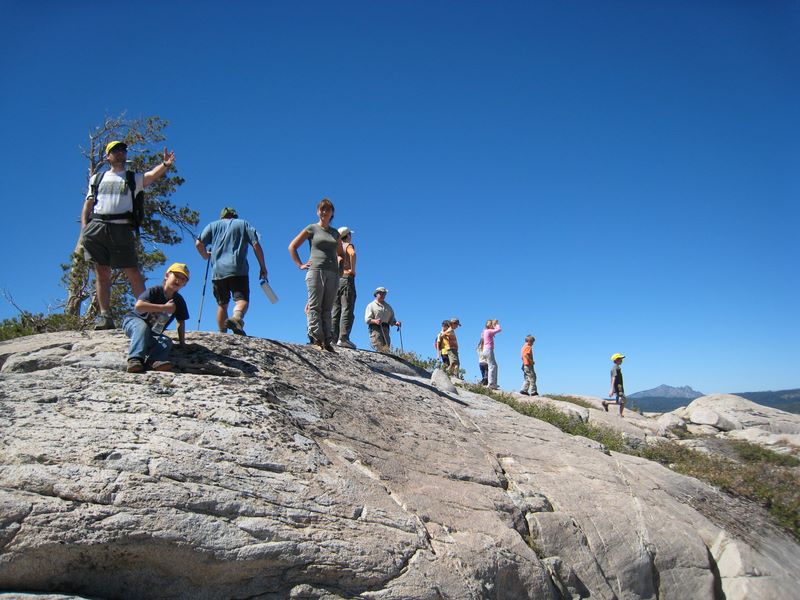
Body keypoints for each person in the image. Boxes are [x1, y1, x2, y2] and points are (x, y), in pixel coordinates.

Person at [81, 141, 175, 330]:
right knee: (101, 272)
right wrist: (85, 228)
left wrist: (165, 165)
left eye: (123, 150)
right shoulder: (97, 178)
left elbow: (150, 176)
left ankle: (147, 314)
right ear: (108, 156)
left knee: (133, 272)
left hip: (122, 228)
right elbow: (89, 204)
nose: (120, 153)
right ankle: (105, 316)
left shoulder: (133, 178)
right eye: (115, 150)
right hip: (97, 227)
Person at [195, 207, 267, 336]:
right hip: (238, 270)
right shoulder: (242, 224)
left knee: (222, 304)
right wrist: (262, 266)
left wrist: (205, 255)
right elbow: (255, 244)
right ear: (234, 216)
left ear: (222, 216)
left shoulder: (212, 226)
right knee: (242, 300)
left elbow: (198, 243)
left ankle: (222, 334)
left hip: (217, 271)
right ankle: (237, 318)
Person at [288, 198, 345, 351]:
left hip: (332, 273)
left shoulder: (335, 233)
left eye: (328, 209)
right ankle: (316, 338)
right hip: (316, 271)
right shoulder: (312, 228)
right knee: (315, 306)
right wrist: (300, 264)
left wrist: (341, 267)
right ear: (318, 211)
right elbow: (292, 246)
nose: (324, 212)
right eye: (322, 209)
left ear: (332, 213)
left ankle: (327, 340)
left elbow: (341, 253)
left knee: (327, 308)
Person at [122, 262, 190, 373]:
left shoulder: (179, 301)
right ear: (167, 275)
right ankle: (135, 359)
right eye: (176, 276)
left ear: (185, 284)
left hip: (152, 332)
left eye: (183, 279)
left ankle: (154, 361)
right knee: (142, 327)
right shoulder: (155, 290)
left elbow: (181, 321)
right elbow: (139, 306)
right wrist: (164, 308)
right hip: (133, 321)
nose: (179, 280)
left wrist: (182, 343)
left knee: (166, 341)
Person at [332, 226, 357, 348]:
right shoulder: (347, 245)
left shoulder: (334, 248)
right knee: (347, 308)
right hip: (346, 278)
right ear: (348, 236)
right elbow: (353, 254)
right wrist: (352, 270)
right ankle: (343, 338)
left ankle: (332, 338)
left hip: (335, 279)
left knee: (335, 309)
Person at [364, 287, 400, 352]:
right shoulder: (371, 305)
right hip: (375, 329)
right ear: (376, 294)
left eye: (384, 293)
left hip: (386, 329)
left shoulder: (388, 307)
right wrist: (375, 321)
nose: (383, 295)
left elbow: (391, 320)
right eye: (381, 293)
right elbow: (367, 320)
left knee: (386, 348)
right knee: (379, 347)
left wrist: (396, 323)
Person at [482, 319, 502, 389]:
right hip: (488, 350)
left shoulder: (485, 331)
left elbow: (494, 332)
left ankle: (493, 383)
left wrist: (493, 325)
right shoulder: (488, 331)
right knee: (492, 366)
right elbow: (499, 329)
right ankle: (491, 384)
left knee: (494, 366)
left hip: (486, 350)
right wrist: (496, 324)